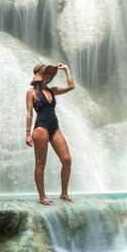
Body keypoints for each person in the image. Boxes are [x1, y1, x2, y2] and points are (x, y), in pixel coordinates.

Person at [25, 62, 75, 205]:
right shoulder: (31, 92)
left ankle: (64, 193)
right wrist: (28, 133)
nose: (48, 76)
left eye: (50, 74)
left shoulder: (52, 90)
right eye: (46, 73)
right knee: (40, 164)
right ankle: (42, 196)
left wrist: (66, 69)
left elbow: (71, 86)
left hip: (54, 127)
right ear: (39, 76)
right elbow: (29, 114)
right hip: (41, 128)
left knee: (67, 160)